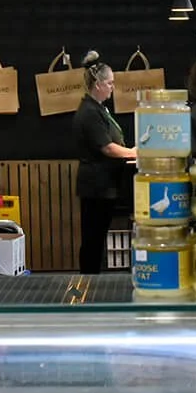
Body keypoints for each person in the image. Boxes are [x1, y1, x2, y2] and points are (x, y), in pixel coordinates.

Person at [73, 54, 136, 273]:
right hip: (96, 186)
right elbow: (107, 147)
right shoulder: (90, 112)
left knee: (96, 236)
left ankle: (92, 279)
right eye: (109, 83)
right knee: (93, 238)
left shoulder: (99, 109)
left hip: (105, 184)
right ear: (98, 85)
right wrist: (132, 152)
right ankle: (89, 281)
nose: (112, 87)